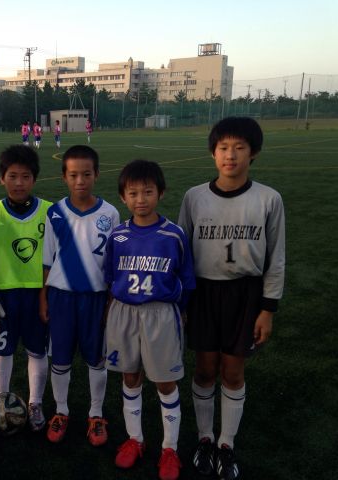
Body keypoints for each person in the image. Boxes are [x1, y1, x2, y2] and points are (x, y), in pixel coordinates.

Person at [178, 117, 285, 480]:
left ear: (253, 153)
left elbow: (276, 258)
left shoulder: (269, 199)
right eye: (223, 148)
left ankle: (226, 444)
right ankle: (205, 439)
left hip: (245, 294)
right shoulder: (194, 197)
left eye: (240, 148)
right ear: (213, 152)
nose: (231, 155)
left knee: (233, 371)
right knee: (205, 369)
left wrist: (267, 309)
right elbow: (182, 254)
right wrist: (183, 303)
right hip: (203, 294)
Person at [104, 160, 195, 479]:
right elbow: (109, 277)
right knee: (130, 377)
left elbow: (187, 278)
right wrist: (110, 312)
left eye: (147, 192)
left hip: (161, 314)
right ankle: (135, 439)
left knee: (165, 381)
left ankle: (170, 449)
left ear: (161, 193)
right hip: (123, 312)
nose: (140, 199)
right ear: (122, 197)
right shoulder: (117, 235)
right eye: (133, 193)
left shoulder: (173, 235)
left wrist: (181, 310)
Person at [39, 145, 120, 446]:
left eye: (86, 174)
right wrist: (43, 297)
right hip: (61, 298)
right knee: (60, 357)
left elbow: (113, 263)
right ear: (64, 177)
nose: (80, 181)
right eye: (73, 175)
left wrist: (110, 301)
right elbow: (47, 261)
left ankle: (96, 413)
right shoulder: (55, 213)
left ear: (96, 174)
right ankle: (61, 411)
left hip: (95, 298)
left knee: (96, 358)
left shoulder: (110, 213)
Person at [0, 145, 52, 431]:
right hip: (4, 296)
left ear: (34, 179)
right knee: (3, 349)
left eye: (25, 176)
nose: (19, 183)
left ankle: (35, 403)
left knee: (37, 350)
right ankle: (2, 400)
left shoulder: (49, 212)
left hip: (38, 294)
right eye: (12, 176)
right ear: (2, 178)